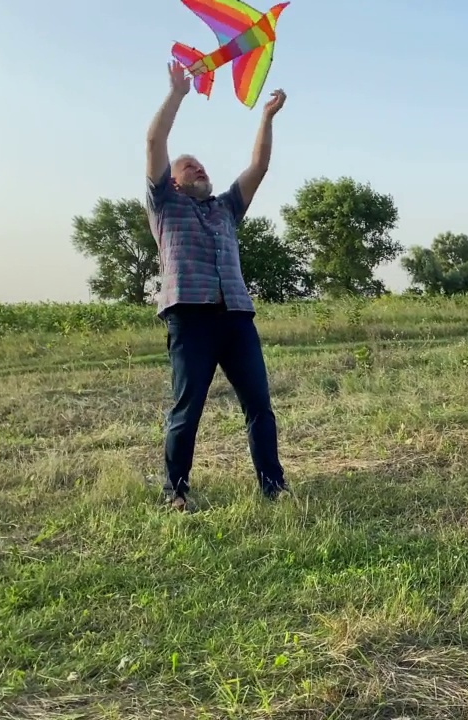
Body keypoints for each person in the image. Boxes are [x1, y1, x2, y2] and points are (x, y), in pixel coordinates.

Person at [144, 60, 289, 510]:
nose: (199, 169)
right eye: (190, 167)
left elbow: (259, 166)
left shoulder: (225, 208)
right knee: (187, 410)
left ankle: (273, 487)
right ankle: (177, 493)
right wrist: (177, 94)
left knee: (259, 406)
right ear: (172, 179)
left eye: (202, 165)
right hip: (190, 318)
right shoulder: (164, 205)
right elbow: (154, 140)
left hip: (237, 317)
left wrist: (265, 118)